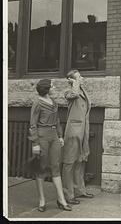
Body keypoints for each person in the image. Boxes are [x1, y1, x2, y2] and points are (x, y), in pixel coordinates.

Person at [28, 79, 72, 212]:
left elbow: (57, 120)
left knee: (55, 167)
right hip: (42, 136)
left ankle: (61, 200)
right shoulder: (37, 103)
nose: (54, 87)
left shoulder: (53, 102)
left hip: (54, 136)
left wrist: (60, 136)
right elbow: (32, 124)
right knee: (41, 168)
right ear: (46, 89)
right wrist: (35, 143)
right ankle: (42, 200)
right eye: (52, 85)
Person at [61, 70, 94, 205]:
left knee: (81, 160)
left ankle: (80, 190)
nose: (83, 77)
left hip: (83, 131)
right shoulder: (69, 92)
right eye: (80, 76)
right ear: (72, 80)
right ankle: (68, 194)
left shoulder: (83, 91)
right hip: (74, 131)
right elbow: (73, 95)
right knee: (69, 162)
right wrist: (74, 84)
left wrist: (78, 84)